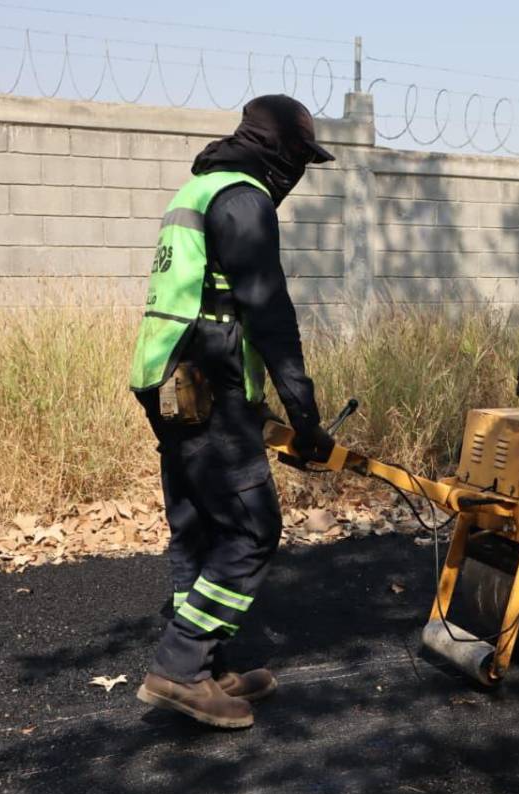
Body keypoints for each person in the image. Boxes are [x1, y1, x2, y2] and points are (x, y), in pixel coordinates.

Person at [127, 94, 336, 729]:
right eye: (299, 158)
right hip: (204, 388)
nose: (297, 172)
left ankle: (206, 663)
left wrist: (257, 403)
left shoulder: (197, 189)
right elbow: (267, 311)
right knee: (251, 527)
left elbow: (208, 303)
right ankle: (180, 669)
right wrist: (304, 412)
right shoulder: (243, 198)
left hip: (170, 382)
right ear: (278, 150)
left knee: (198, 526)